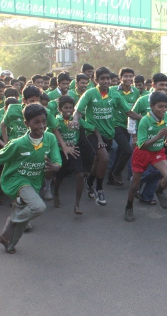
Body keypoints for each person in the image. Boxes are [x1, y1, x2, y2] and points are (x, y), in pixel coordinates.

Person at [0, 103, 62, 254]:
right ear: (26, 123)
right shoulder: (18, 143)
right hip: (16, 180)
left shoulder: (50, 138)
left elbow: (57, 161)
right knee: (38, 207)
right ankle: (12, 220)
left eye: (43, 122)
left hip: (35, 181)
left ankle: (8, 243)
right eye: (36, 122)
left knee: (25, 217)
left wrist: (54, 167)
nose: (41, 126)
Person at [70, 67, 130, 206]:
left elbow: (129, 112)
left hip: (108, 133)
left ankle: (90, 182)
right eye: (102, 78)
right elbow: (78, 111)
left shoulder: (115, 95)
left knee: (98, 162)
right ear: (96, 80)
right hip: (92, 132)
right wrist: (75, 120)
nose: (106, 81)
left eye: (108, 78)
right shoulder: (90, 93)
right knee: (105, 158)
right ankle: (100, 189)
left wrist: (147, 118)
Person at [124, 92, 167, 222]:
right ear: (152, 106)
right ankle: (129, 207)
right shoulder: (145, 120)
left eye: (165, 106)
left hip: (157, 152)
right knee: (135, 185)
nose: (163, 110)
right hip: (142, 153)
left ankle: (159, 190)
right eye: (160, 106)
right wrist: (157, 137)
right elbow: (142, 145)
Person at [53, 96, 91, 214]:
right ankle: (55, 193)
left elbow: (91, 127)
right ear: (60, 109)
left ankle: (77, 205)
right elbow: (50, 139)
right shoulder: (55, 122)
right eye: (65, 108)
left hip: (74, 151)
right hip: (60, 152)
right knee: (59, 177)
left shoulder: (76, 120)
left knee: (80, 175)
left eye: (71, 107)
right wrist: (63, 144)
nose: (68, 110)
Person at [107, 67, 140, 186]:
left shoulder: (135, 92)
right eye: (125, 76)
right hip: (115, 125)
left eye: (131, 76)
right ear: (120, 78)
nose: (128, 78)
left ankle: (111, 177)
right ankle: (116, 172)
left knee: (122, 151)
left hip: (129, 126)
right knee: (127, 150)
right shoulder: (112, 90)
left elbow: (134, 110)